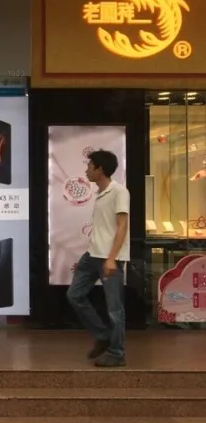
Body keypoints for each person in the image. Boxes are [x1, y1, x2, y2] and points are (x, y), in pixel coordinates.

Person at [66, 149, 129, 367]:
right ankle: (102, 336)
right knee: (74, 295)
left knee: (114, 309)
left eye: (89, 166)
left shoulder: (119, 191)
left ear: (99, 169)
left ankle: (117, 353)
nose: (86, 170)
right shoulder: (100, 193)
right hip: (92, 255)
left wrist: (112, 258)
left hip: (109, 257)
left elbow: (122, 227)